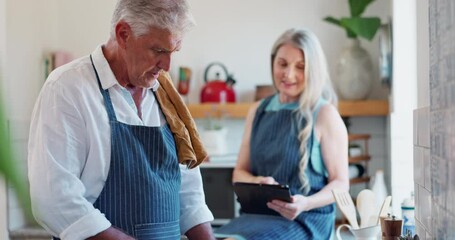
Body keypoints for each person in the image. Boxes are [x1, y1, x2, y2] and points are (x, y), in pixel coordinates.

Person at [27, 0, 216, 239]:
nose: (167, 66)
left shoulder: (166, 96)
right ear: (124, 34)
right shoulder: (67, 88)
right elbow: (53, 198)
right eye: (158, 51)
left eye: (173, 52)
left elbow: (188, 192)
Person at [215, 28, 349, 239]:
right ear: (273, 63)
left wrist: (306, 203)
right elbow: (238, 173)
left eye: (300, 67)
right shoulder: (258, 111)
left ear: (313, 71)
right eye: (283, 64)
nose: (289, 74)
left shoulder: (324, 114)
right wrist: (258, 181)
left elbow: (341, 184)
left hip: (306, 221)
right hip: (255, 219)